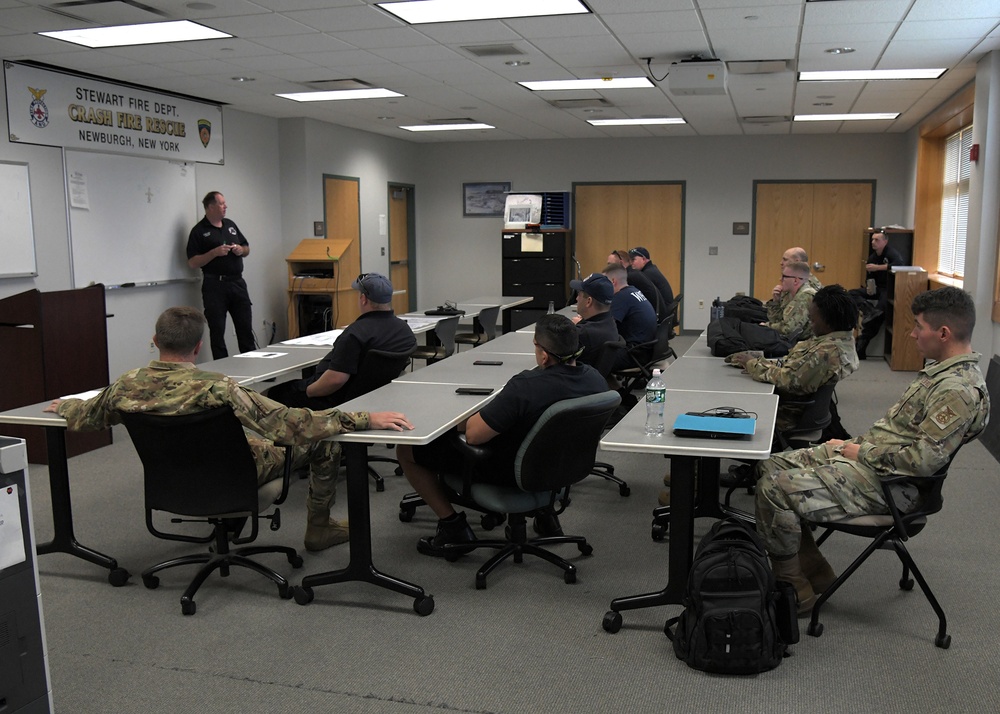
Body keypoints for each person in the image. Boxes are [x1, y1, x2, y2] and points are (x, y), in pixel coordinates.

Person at [44, 307, 413, 553]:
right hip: (233, 474)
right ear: (199, 346)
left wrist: (67, 406)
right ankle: (319, 529)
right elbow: (291, 425)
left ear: (155, 342)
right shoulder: (218, 388)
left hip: (171, 481)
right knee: (323, 437)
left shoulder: (125, 387)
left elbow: (87, 417)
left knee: (246, 438)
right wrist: (364, 418)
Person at [754, 287, 989, 615]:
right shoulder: (942, 375)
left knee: (774, 488)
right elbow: (899, 438)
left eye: (919, 326)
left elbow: (921, 462)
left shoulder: (956, 391)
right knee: (770, 464)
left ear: (944, 333)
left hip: (892, 486)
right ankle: (815, 570)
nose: (913, 333)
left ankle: (795, 589)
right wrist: (853, 448)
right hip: (873, 461)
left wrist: (857, 452)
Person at [396, 314, 608, 556]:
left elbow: (475, 436)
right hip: (562, 468)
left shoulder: (526, 386)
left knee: (406, 450)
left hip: (510, 472)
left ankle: (452, 527)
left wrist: (455, 421)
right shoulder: (595, 379)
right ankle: (545, 514)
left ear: (544, 354)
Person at [267, 272, 416, 409]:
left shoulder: (355, 334)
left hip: (338, 399)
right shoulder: (404, 331)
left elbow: (335, 380)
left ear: (363, 299)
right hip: (375, 396)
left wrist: (309, 391)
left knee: (274, 394)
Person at [728, 285, 859, 433]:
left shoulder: (826, 352)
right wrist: (758, 361)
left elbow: (788, 380)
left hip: (788, 414)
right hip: (799, 405)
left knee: (724, 417)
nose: (810, 324)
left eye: (813, 321)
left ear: (828, 322)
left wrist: (752, 364)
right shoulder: (841, 340)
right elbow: (796, 366)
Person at [186, 191, 255, 359]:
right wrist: (214, 253)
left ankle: (254, 367)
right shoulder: (199, 231)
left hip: (237, 283)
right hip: (214, 286)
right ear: (210, 207)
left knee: (245, 328)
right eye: (221, 203)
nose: (226, 206)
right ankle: (222, 374)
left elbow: (247, 248)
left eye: (225, 203)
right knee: (217, 332)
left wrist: (241, 250)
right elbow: (193, 262)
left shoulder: (230, 225)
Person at [851, 231, 905, 359]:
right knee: (852, 293)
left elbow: (900, 266)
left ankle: (862, 343)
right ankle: (868, 310)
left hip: (889, 289)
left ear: (885, 242)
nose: (873, 242)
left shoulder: (891, 253)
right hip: (876, 288)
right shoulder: (873, 257)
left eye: (877, 240)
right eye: (872, 240)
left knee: (878, 315)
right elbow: (869, 277)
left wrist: (878, 267)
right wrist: (869, 289)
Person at [568, 272, 621, 367]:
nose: (576, 298)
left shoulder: (583, 333)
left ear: (588, 301)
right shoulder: (609, 322)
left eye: (579, 294)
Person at [603, 263, 656, 347]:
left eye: (605, 281)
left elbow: (606, 326)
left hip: (635, 350)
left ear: (613, 281)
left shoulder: (621, 297)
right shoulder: (633, 290)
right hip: (647, 345)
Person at [764, 260, 816, 340]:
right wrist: (776, 302)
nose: (780, 279)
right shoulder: (791, 295)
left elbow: (789, 329)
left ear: (795, 280)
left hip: (807, 343)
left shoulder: (804, 296)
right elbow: (778, 320)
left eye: (784, 276)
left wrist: (767, 326)